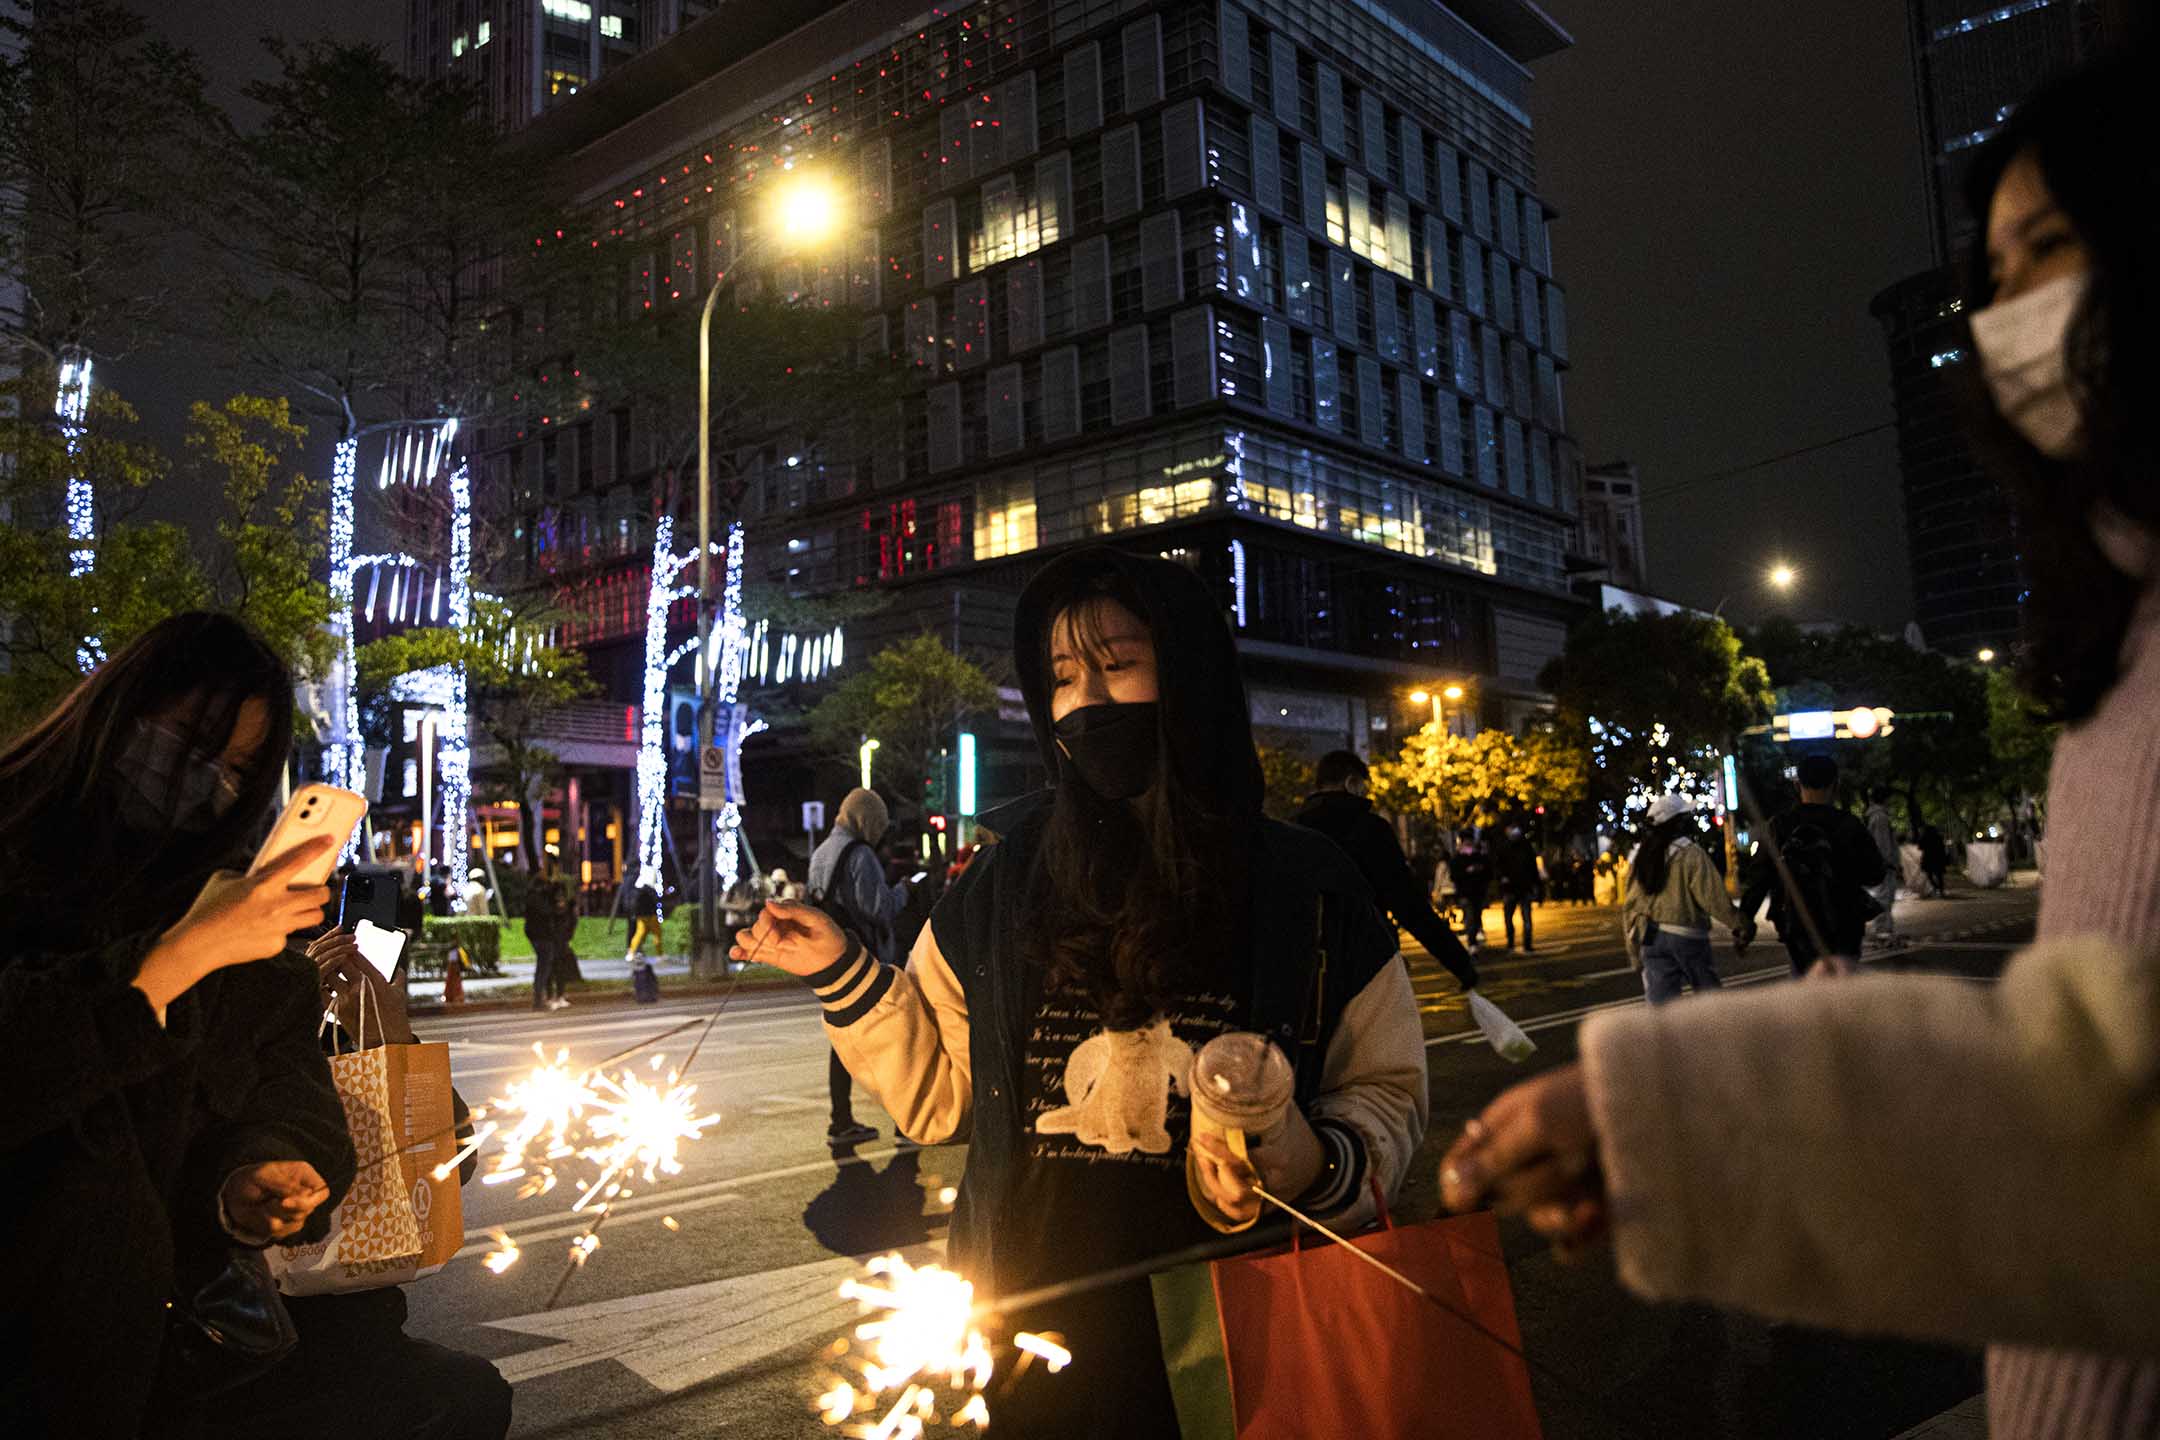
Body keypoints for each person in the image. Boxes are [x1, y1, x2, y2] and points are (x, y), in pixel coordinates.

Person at [1439, 56, 2160, 1438]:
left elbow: (2113, 1106)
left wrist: (1687, 1123)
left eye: (2052, 251)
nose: (2010, 315)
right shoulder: (2119, 641)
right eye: (1994, 277)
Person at [735, 548, 1427, 1436]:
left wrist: (1293, 1150)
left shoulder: (1309, 887)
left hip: (1245, 1348)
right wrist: (841, 971)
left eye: (1118, 664)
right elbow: (940, 1101)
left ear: (1190, 676)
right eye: (1063, 676)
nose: (1087, 700)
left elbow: (1388, 1099)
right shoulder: (1000, 882)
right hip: (1029, 1354)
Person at [0, 613, 358, 1436]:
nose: (210, 784)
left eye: (237, 767)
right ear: (123, 709)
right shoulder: (18, 848)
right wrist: (171, 961)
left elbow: (286, 1095)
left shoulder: (235, 920)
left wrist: (254, 1178)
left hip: (129, 1370)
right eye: (191, 744)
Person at [205, 926, 512, 1440]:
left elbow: (450, 1167)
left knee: (471, 1393)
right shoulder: (215, 1042)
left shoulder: (341, 1051)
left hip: (360, 1336)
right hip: (239, 1344)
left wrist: (392, 1041)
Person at [1293, 750, 1479, 992]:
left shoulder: (1292, 830)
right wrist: (1460, 964)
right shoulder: (1369, 829)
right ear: (1352, 783)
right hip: (1365, 963)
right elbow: (1408, 905)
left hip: (1306, 971)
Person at [807, 788, 911, 1148]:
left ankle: (841, 1120)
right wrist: (904, 891)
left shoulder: (821, 852)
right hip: (866, 962)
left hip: (833, 964)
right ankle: (904, 1121)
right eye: (878, 825)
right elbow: (878, 908)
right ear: (866, 820)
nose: (879, 833)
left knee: (843, 1042)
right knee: (894, 1038)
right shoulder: (860, 855)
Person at [1738, 754, 1885, 975]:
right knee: (1845, 990)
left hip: (1797, 923)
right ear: (1835, 785)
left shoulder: (1779, 825)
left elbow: (1760, 877)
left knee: (1805, 989)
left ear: (1798, 785)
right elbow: (1875, 874)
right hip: (1844, 921)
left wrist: (1745, 920)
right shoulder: (1849, 824)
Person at [1622, 794, 1754, 1004]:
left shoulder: (1641, 856)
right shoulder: (1690, 854)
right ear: (1677, 822)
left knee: (1661, 1008)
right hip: (1687, 936)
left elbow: (1630, 905)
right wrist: (1741, 925)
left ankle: (1665, 1038)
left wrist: (1633, 952)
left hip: (1651, 937)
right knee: (1710, 998)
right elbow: (1713, 898)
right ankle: (1721, 1036)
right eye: (1685, 817)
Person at [524, 860, 572, 1011]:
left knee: (544, 967)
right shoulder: (538, 897)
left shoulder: (533, 894)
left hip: (538, 935)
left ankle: (540, 998)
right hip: (542, 935)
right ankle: (539, 1000)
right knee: (543, 968)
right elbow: (548, 911)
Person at [1862, 786, 1903, 948]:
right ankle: (1883, 932)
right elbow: (1882, 843)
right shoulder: (1880, 818)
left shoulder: (1875, 816)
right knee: (1884, 898)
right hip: (1885, 866)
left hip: (1881, 864)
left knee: (1883, 898)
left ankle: (1884, 930)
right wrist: (1888, 863)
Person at [1495, 824, 1541, 952]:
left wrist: (1535, 885)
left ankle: (1526, 943)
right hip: (1511, 888)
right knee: (1510, 917)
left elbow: (1533, 868)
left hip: (1523, 887)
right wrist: (1502, 878)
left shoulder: (1525, 847)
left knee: (1525, 917)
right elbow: (1498, 867)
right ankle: (1511, 941)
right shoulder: (1504, 848)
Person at [1448, 833, 1495, 951]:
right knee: (1470, 916)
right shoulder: (1457, 859)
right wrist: (1467, 871)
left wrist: (1479, 871)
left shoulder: (1479, 857)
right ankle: (1472, 942)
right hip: (1465, 893)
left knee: (1476, 915)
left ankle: (1474, 937)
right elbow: (1454, 876)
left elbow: (1488, 873)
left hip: (1478, 892)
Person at [625, 881, 662, 963]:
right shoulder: (651, 891)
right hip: (652, 916)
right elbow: (656, 901)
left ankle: (631, 953)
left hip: (641, 917)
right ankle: (659, 954)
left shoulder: (636, 892)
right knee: (657, 935)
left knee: (639, 934)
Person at [1918, 821, 1950, 898]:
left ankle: (1936, 887)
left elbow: (1920, 847)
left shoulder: (1924, 837)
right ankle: (1941, 890)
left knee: (1929, 874)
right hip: (1938, 858)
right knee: (1939, 875)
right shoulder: (1938, 836)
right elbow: (1942, 847)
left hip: (1928, 858)